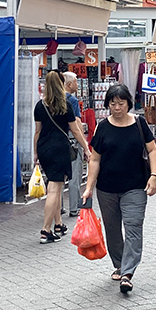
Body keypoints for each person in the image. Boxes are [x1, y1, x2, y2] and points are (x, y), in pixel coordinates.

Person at [83, 83, 156, 294]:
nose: (117, 108)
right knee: (113, 230)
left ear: (128, 103)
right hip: (107, 188)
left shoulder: (139, 124)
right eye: (113, 103)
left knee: (133, 227)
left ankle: (127, 273)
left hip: (135, 186)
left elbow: (152, 150)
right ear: (108, 104)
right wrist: (89, 187)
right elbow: (95, 159)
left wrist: (153, 176)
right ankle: (119, 263)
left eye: (121, 103)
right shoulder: (102, 127)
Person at [34, 71, 90, 244]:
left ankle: (58, 224)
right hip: (60, 149)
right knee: (54, 190)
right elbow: (75, 130)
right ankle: (46, 230)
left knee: (55, 186)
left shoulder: (39, 105)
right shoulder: (66, 105)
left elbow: (37, 131)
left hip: (44, 149)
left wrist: (36, 152)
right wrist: (86, 148)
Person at [63, 71, 84, 217]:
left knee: (58, 178)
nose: (77, 84)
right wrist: (83, 140)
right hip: (72, 140)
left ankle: (58, 208)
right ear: (69, 84)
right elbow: (76, 122)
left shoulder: (50, 100)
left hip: (57, 141)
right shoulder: (72, 100)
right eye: (76, 81)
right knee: (74, 175)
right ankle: (74, 207)